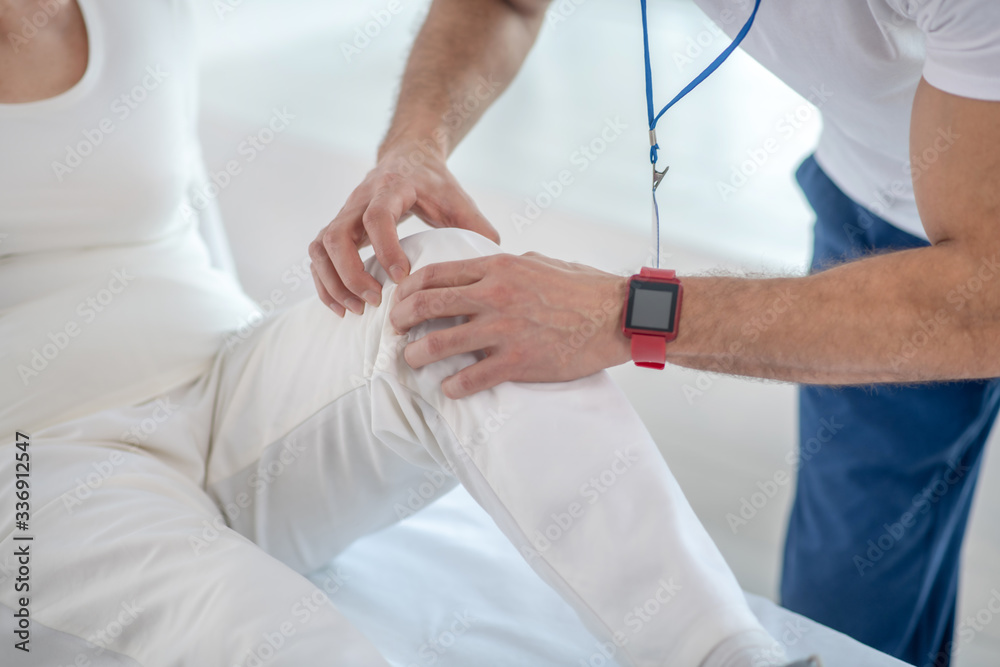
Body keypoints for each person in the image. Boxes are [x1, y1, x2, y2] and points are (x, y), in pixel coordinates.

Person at [0, 1, 822, 665]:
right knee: (279, 639)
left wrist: (413, 148)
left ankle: (726, 651)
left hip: (224, 380)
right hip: (42, 465)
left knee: (458, 284)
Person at [310, 1, 1000, 666]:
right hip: (877, 190)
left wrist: (623, 312)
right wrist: (415, 141)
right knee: (849, 594)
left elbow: (986, 301)